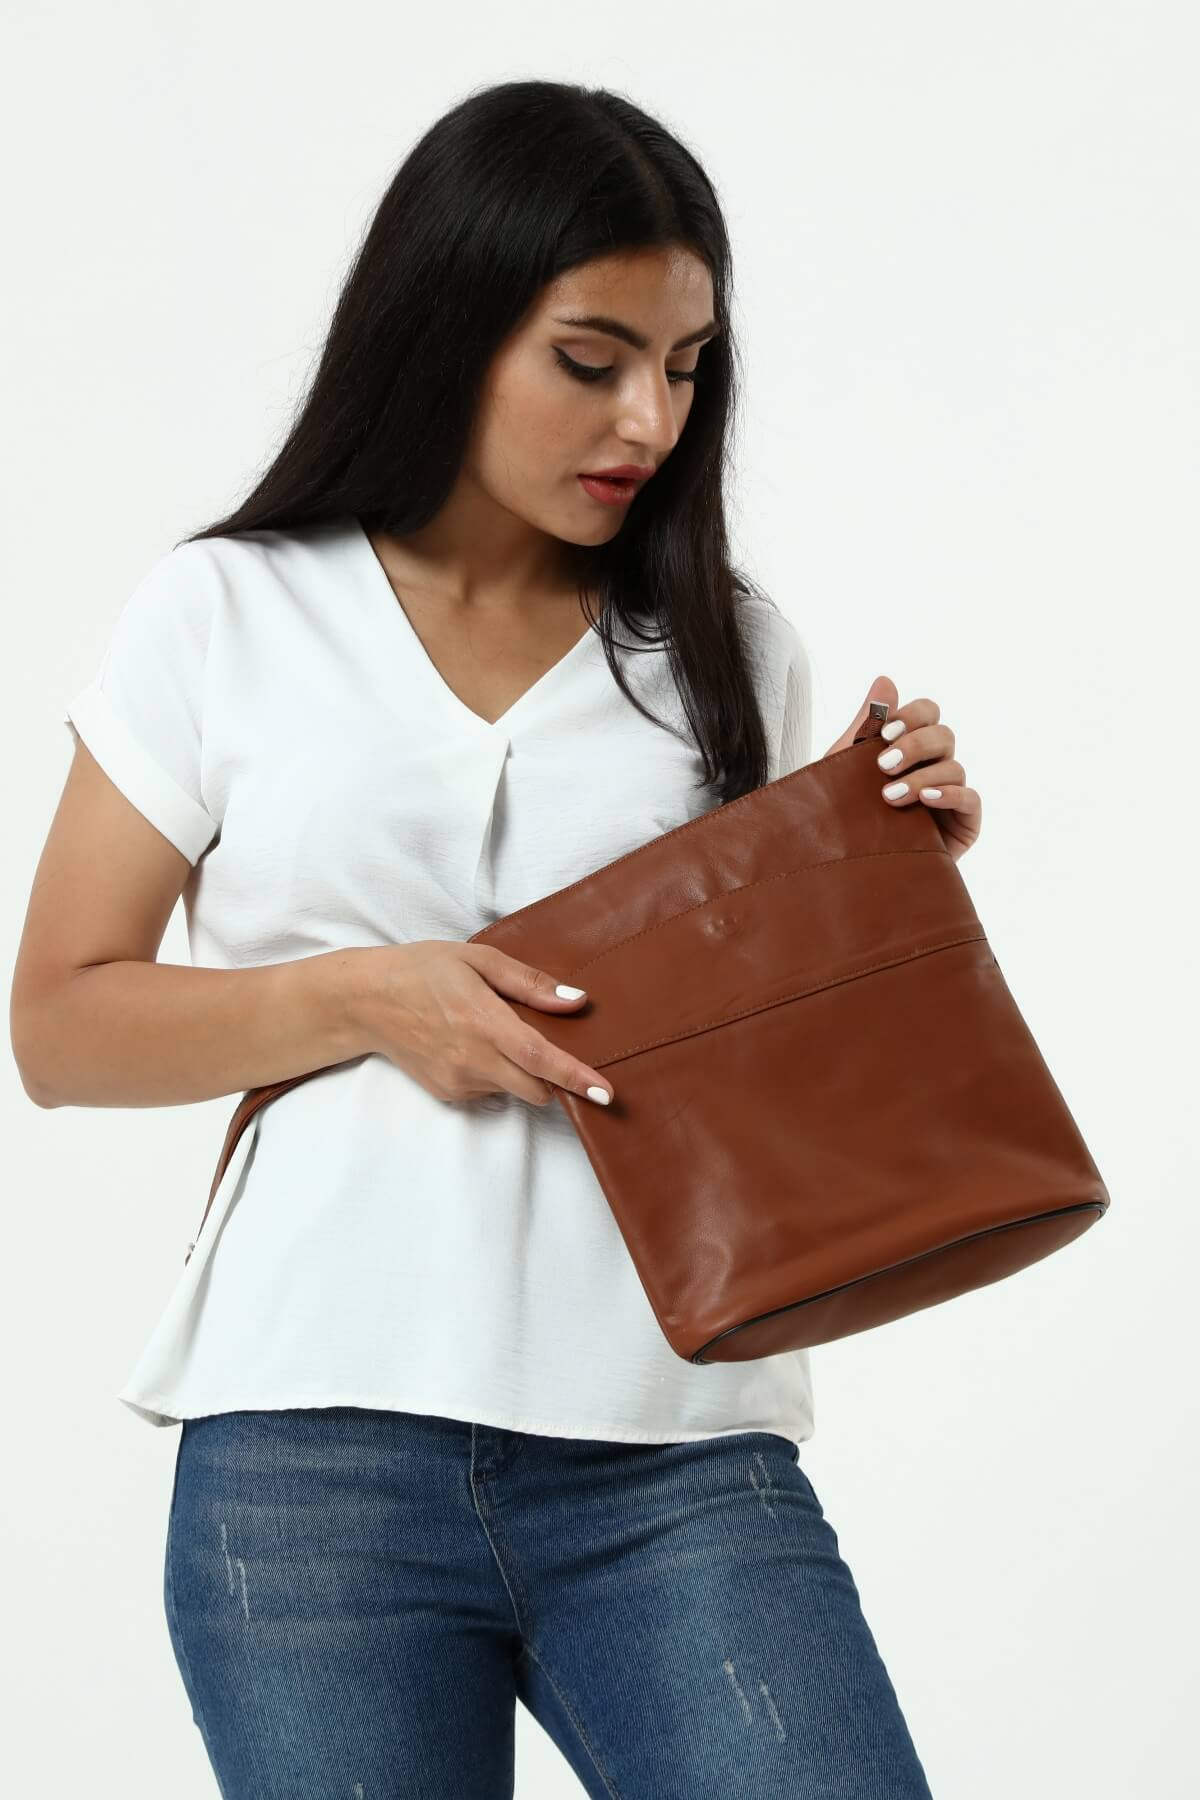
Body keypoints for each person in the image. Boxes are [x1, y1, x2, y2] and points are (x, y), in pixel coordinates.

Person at [12, 77, 978, 1799]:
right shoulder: (226, 612)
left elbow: (775, 1076)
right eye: (591, 360)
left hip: (676, 1453)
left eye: (686, 366)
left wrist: (887, 877)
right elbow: (61, 1025)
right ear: (448, 328)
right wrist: (370, 1000)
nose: (650, 419)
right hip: (312, 1455)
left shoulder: (729, 652)